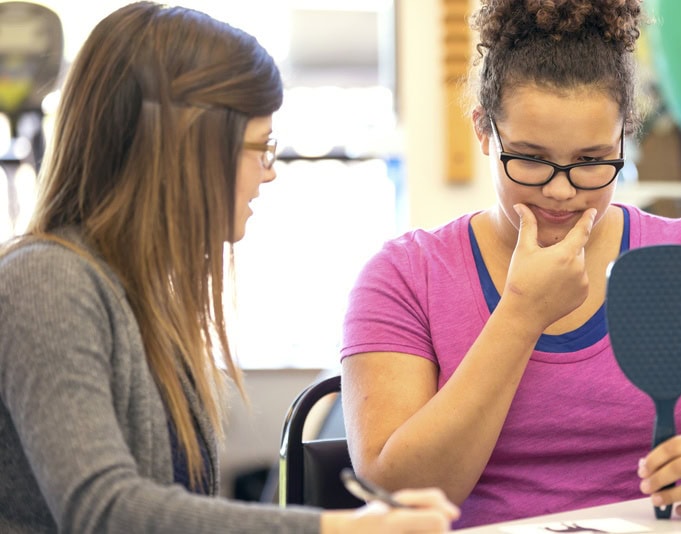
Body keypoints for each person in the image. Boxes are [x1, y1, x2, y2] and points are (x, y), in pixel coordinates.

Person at [340, 0, 681, 529]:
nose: (561, 189)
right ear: (484, 130)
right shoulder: (405, 276)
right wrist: (522, 314)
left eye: (592, 161)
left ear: (624, 137)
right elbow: (398, 489)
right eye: (530, 158)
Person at [0, 3, 458, 533]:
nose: (269, 174)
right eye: (259, 148)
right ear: (184, 146)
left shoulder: (144, 301)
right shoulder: (47, 283)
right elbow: (105, 511)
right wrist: (341, 529)